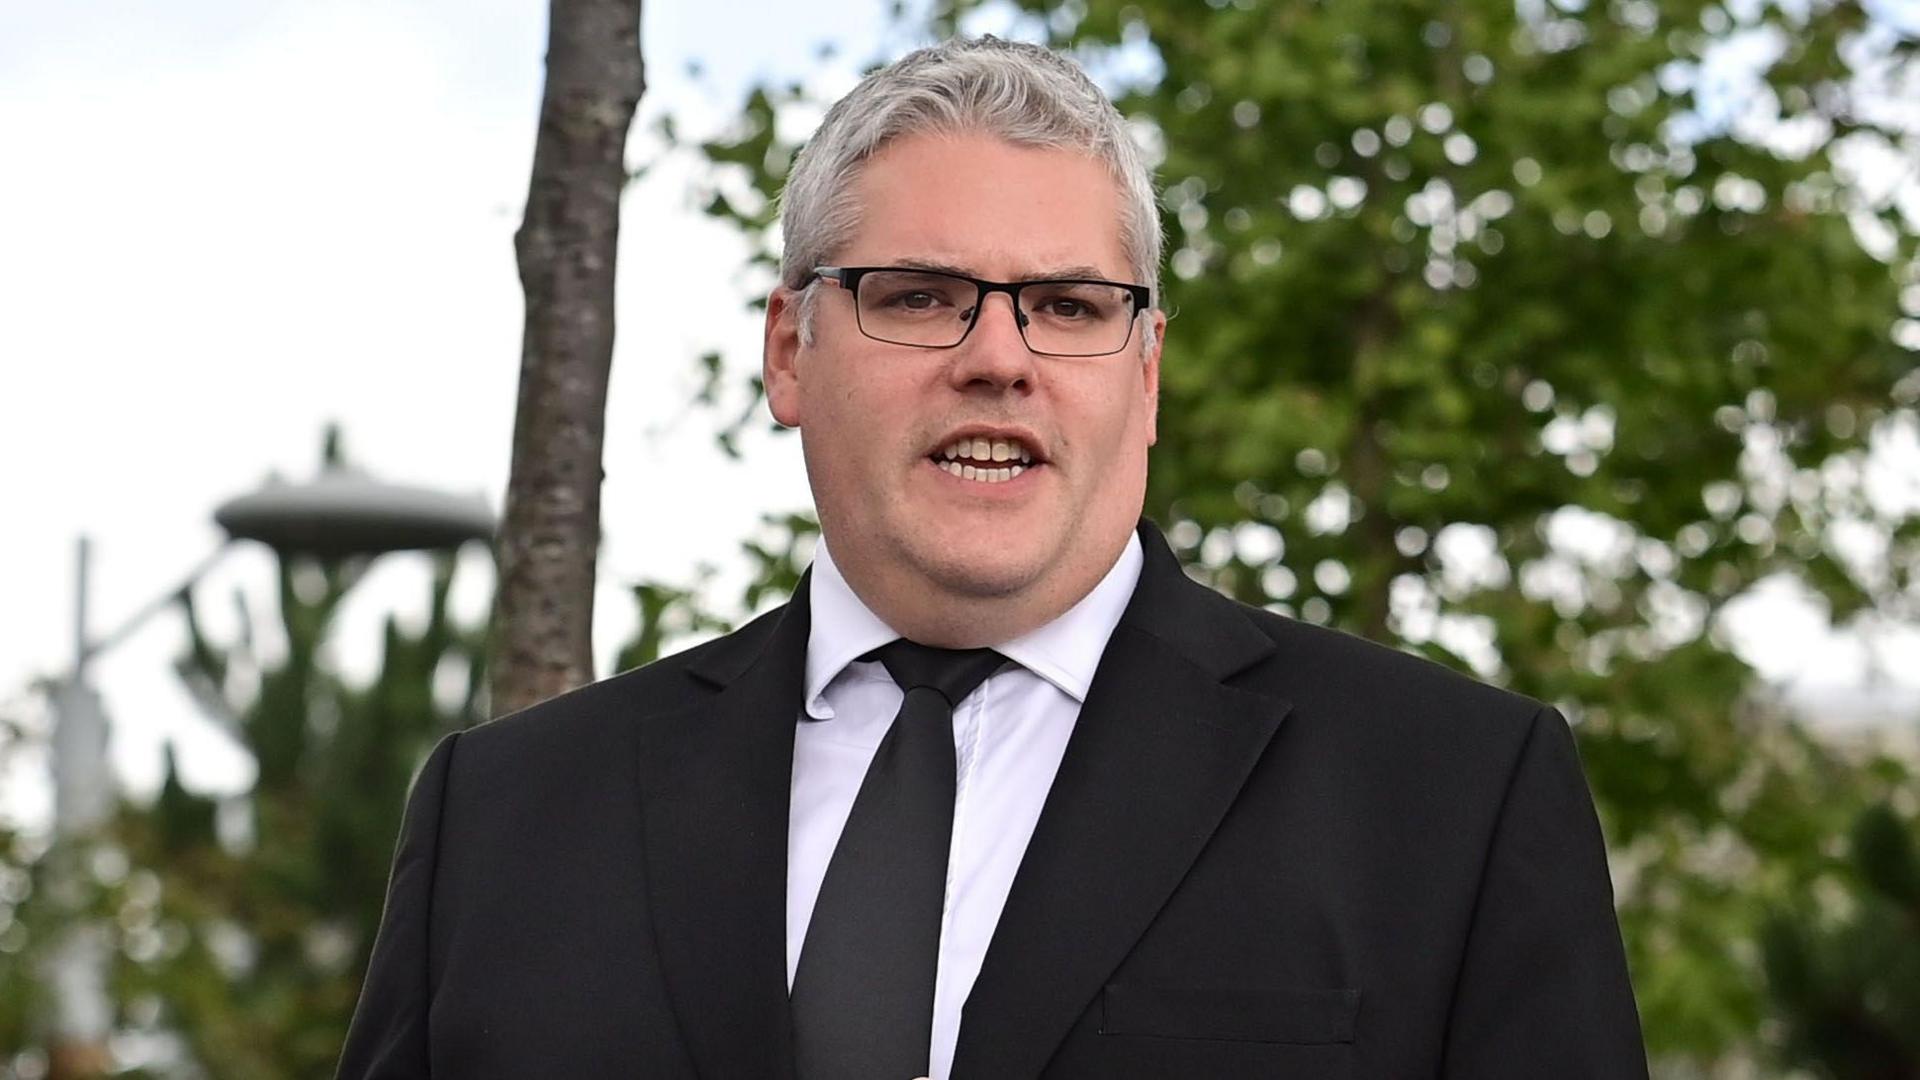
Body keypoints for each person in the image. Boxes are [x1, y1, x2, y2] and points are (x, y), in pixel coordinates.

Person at [338, 36, 1648, 1080]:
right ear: (790, 350)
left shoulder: (1452, 801)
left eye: (1070, 307)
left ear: (1145, 378)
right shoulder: (502, 820)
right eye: (919, 295)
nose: (999, 357)